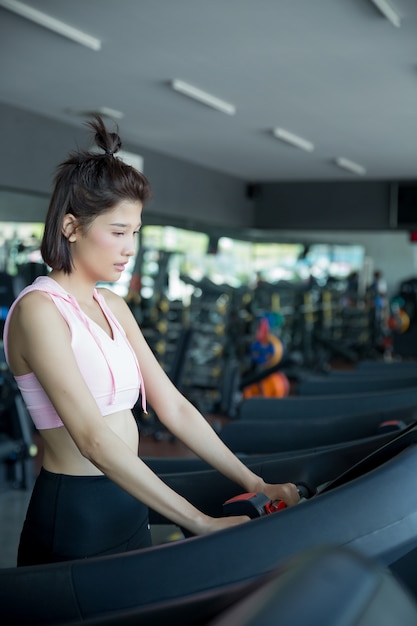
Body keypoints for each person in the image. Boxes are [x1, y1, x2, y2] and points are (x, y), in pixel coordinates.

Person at [3, 116, 299, 567]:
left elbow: (174, 406)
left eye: (135, 233)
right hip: (76, 514)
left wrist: (253, 482)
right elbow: (93, 441)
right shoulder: (39, 311)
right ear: (70, 227)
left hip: (130, 502)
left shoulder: (112, 305)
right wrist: (200, 521)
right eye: (118, 232)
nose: (129, 248)